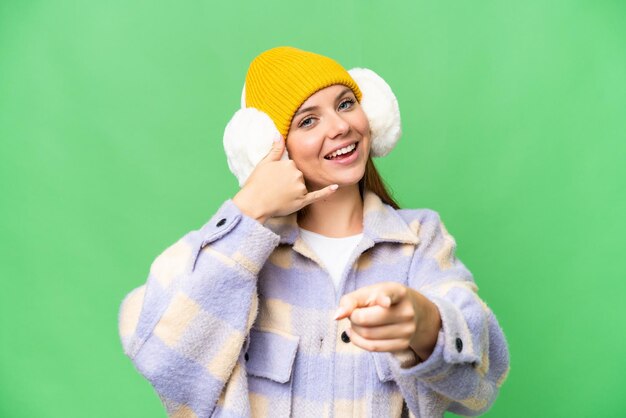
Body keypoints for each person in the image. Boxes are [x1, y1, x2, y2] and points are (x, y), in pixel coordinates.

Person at [118, 46, 510, 418]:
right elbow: (164, 361)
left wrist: (427, 323)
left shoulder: (419, 239)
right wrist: (248, 209)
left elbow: (485, 382)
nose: (340, 126)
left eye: (345, 104)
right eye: (308, 120)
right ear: (271, 147)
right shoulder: (237, 257)